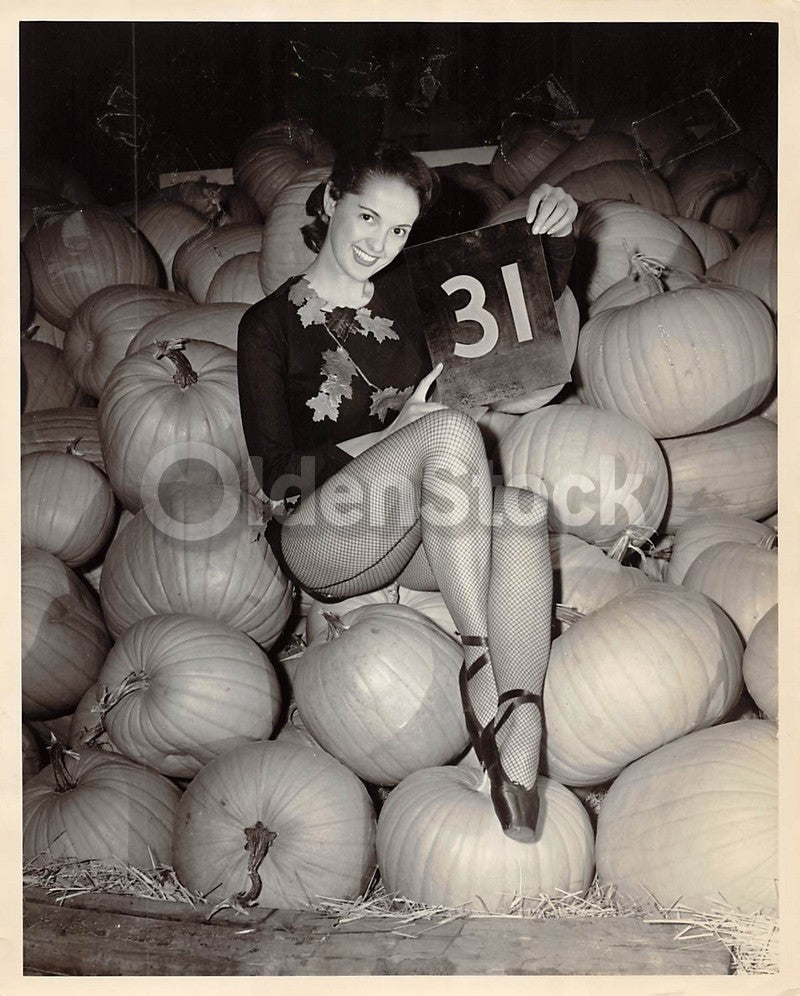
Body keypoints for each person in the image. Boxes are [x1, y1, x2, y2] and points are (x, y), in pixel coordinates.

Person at [237, 141, 577, 841]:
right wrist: (394, 435)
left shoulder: (412, 289)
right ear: (330, 201)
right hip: (325, 537)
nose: (379, 243)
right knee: (446, 429)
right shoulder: (267, 326)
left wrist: (561, 228)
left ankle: (519, 731)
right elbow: (278, 476)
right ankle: (481, 659)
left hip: (418, 532)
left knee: (521, 511)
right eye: (367, 217)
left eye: (399, 229)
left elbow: (518, 306)